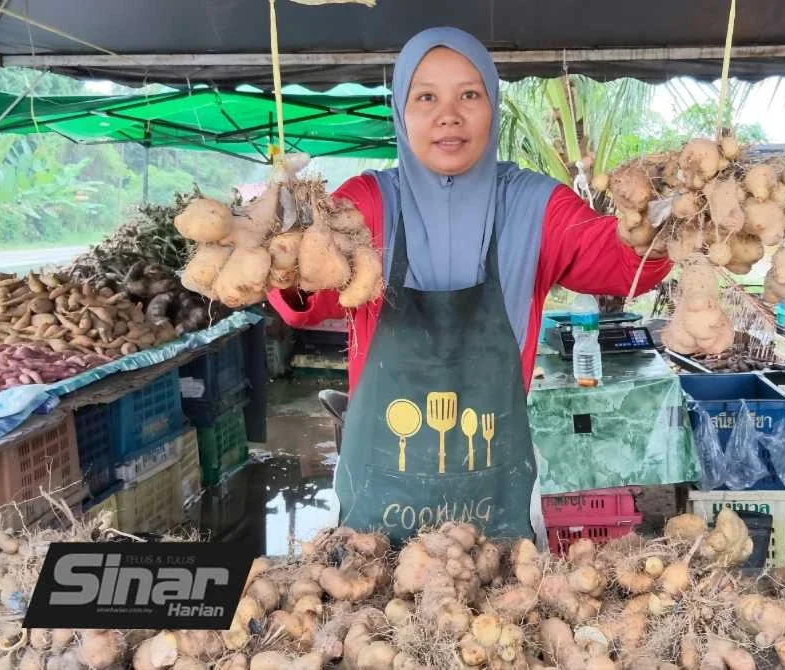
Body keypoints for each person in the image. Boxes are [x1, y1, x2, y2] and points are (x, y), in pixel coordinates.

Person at [268, 26, 672, 545]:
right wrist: (287, 263)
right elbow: (310, 301)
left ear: (493, 105)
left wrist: (655, 233)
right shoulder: (365, 203)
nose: (448, 115)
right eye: (426, 97)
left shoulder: (534, 204)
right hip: (379, 487)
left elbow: (616, 262)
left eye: (470, 94)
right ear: (400, 111)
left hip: (496, 488)